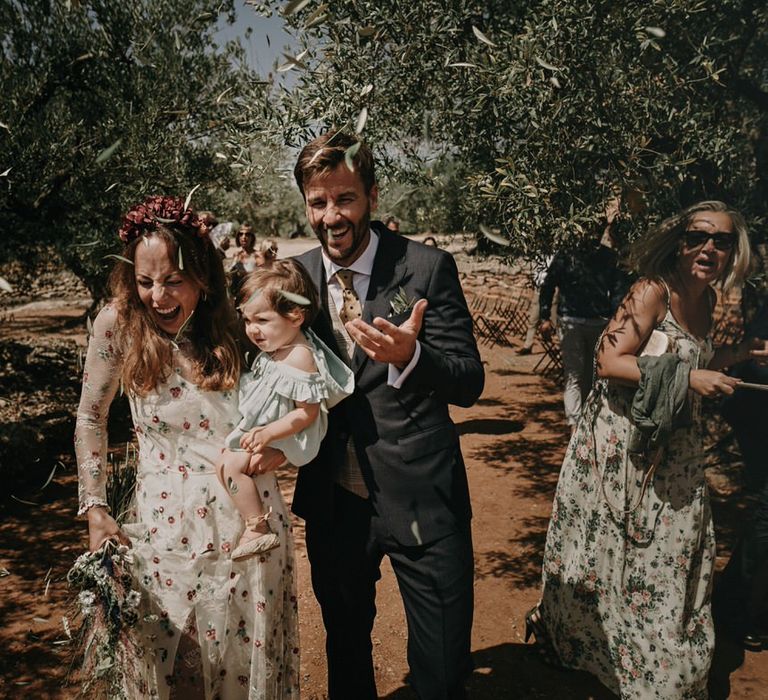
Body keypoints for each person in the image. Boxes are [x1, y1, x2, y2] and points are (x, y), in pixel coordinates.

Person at [530, 201, 768, 698]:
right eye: (697, 236)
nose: (708, 248)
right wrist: (688, 377)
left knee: (672, 554)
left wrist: (739, 356)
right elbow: (607, 360)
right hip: (620, 447)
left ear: (733, 251)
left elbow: (696, 357)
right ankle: (594, 649)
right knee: (610, 551)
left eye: (720, 240)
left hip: (675, 450)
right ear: (679, 243)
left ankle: (661, 668)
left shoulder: (708, 302)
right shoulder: (651, 292)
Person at [75, 195, 299, 699]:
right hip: (163, 529)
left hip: (249, 525)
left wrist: (285, 449)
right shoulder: (117, 324)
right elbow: (90, 416)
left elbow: (308, 386)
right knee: (177, 672)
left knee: (240, 672)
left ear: (201, 274)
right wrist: (95, 506)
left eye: (173, 280)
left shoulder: (240, 321)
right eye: (145, 281)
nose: (158, 295)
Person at [292, 131, 484, 700]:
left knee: (443, 668)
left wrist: (413, 357)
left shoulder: (426, 268)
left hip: (424, 497)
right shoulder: (295, 278)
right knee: (345, 651)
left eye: (345, 198)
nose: (332, 216)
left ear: (371, 195)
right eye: (318, 202)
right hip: (334, 504)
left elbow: (470, 381)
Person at [218, 260, 353, 561]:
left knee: (231, 466)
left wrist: (268, 433)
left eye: (262, 321)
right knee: (226, 463)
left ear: (294, 316)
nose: (252, 330)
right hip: (275, 426)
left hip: (293, 433)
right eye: (248, 321)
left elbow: (308, 413)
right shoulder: (281, 346)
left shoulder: (300, 357)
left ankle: (257, 526)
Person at [538, 207, 630, 427]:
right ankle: (576, 426)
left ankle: (584, 425)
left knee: (586, 376)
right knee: (578, 375)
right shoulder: (571, 255)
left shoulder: (602, 257)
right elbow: (548, 286)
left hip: (594, 322)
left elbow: (618, 292)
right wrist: (544, 317)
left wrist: (614, 320)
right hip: (576, 322)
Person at [714, 301, 768, 651]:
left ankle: (734, 601)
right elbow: (758, 353)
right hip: (760, 414)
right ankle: (738, 610)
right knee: (767, 510)